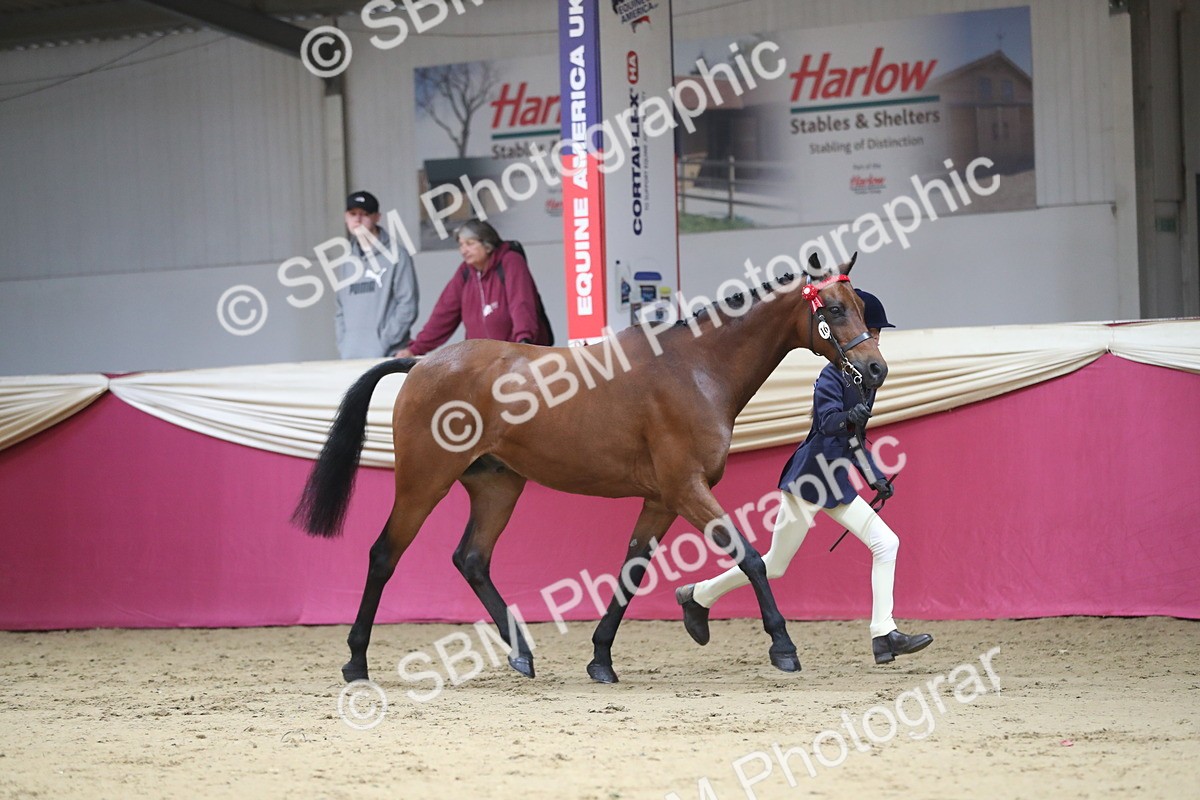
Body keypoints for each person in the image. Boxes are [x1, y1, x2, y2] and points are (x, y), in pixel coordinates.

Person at [675, 290, 933, 665]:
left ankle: (883, 634)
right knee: (785, 562)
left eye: (875, 332)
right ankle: (883, 635)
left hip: (832, 480)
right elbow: (828, 424)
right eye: (874, 331)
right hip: (810, 479)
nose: (875, 339)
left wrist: (875, 477)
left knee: (795, 560)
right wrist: (851, 418)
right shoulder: (831, 376)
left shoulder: (865, 380)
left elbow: (854, 439)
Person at [395, 219, 552, 357]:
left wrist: (523, 344)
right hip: (482, 361)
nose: (463, 250)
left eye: (470, 244)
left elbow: (521, 303)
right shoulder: (465, 272)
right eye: (461, 245)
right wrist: (415, 349)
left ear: (487, 245)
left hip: (516, 357)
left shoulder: (511, 261)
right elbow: (443, 314)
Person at [335, 190, 419, 359]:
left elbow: (407, 305)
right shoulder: (346, 261)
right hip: (350, 355)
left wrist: (384, 341)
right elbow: (340, 309)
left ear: (377, 217)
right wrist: (344, 342)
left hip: (387, 355)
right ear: (346, 217)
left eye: (364, 214)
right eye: (353, 214)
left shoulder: (397, 255)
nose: (357, 219)